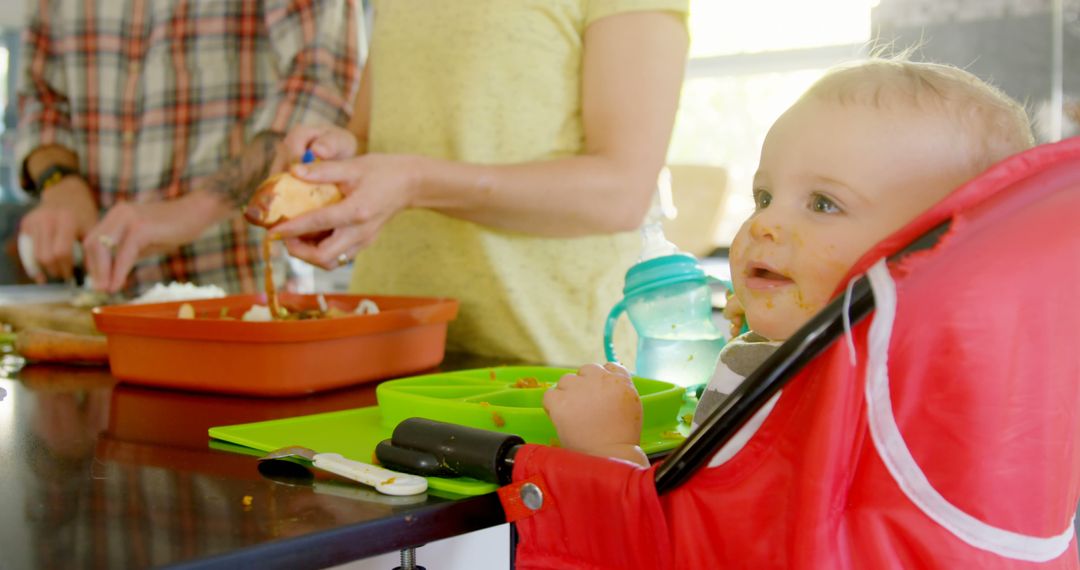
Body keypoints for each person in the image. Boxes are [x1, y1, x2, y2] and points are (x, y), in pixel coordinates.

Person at [544, 58, 1035, 467]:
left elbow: (708, 536)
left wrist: (607, 447)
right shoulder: (953, 382)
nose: (764, 225)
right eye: (764, 196)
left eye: (823, 203)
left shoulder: (827, 397)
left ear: (941, 253)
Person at [270, 1, 690, 365]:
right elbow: (372, 135)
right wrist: (336, 155)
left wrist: (414, 181)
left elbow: (620, 193)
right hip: (392, 342)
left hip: (552, 361)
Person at [15, 0, 361, 295]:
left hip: (239, 291)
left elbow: (321, 83)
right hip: (94, 304)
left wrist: (192, 211)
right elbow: (41, 97)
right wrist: (59, 182)